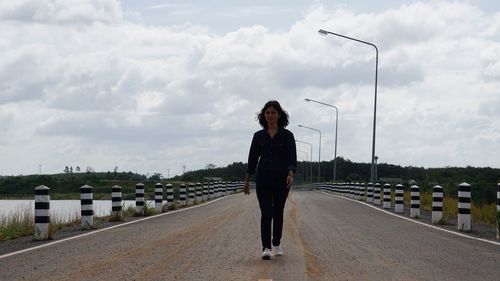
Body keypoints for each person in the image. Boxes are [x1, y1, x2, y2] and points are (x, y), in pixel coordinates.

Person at [243, 100, 297, 260]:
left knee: (278, 212)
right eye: (268, 112)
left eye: (274, 112)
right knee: (266, 213)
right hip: (263, 179)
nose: (271, 115)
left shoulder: (287, 136)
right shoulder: (258, 136)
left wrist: (290, 173)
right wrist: (247, 181)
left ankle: (277, 243)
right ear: (263, 115)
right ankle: (266, 247)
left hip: (282, 180)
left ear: (279, 115)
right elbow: (252, 159)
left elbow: (291, 158)